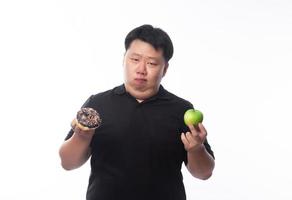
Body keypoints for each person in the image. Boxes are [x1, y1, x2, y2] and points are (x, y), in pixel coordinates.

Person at [59, 24, 215, 200]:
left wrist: (196, 149)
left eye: (151, 63)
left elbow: (204, 173)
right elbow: (68, 163)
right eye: (135, 59)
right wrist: (82, 137)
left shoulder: (181, 109)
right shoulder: (97, 104)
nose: (141, 69)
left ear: (165, 69)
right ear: (123, 60)